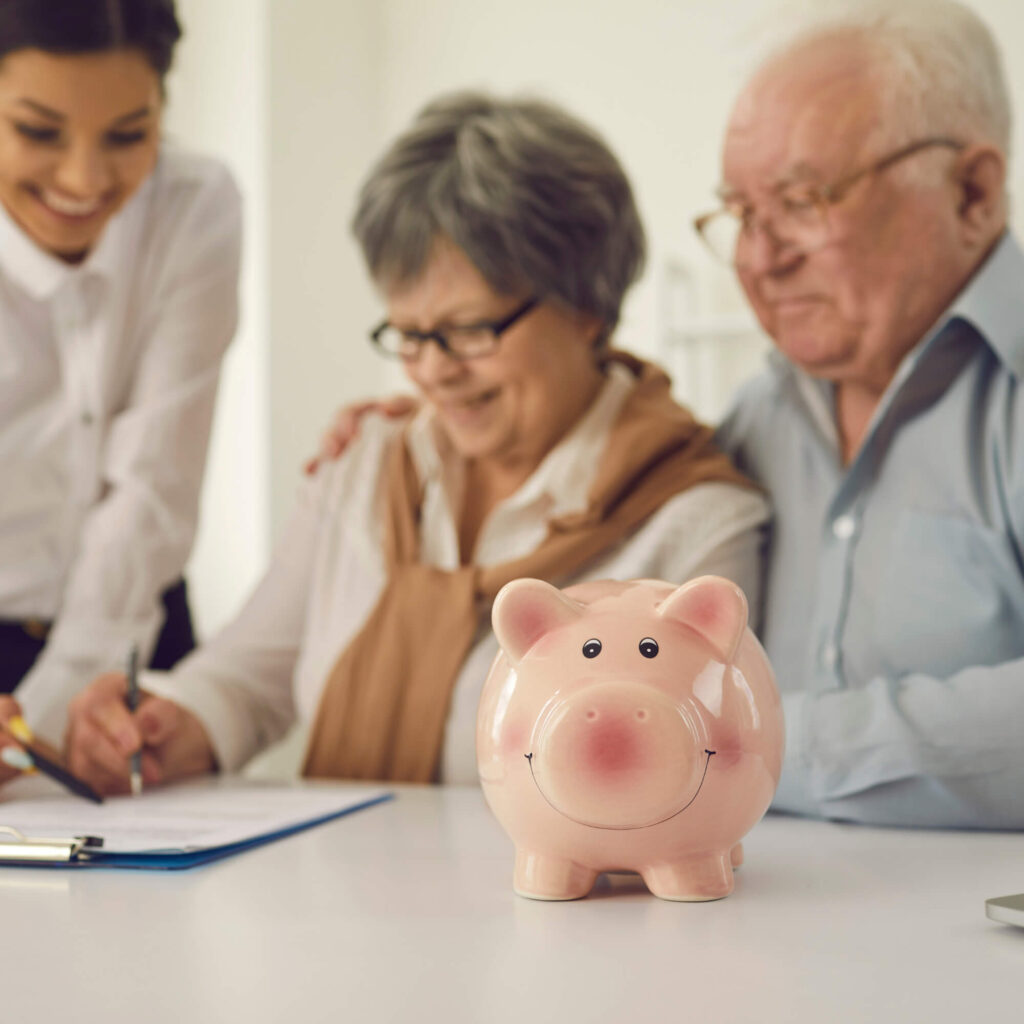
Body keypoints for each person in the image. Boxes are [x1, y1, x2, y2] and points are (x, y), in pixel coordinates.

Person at [62, 91, 768, 794]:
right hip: (340, 891)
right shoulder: (367, 462)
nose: (434, 370)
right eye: (409, 334)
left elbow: (690, 772)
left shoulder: (694, 523)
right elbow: (250, 676)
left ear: (587, 306)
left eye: (469, 331)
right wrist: (160, 728)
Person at [699, 0, 1024, 827]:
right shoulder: (754, 415)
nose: (762, 259)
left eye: (804, 200)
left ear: (973, 191)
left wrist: (744, 746)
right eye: (741, 214)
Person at [0, 0, 241, 781]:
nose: (85, 179)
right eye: (38, 132)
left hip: (131, 634)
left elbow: (155, 487)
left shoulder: (195, 206)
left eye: (128, 135)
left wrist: (45, 720)